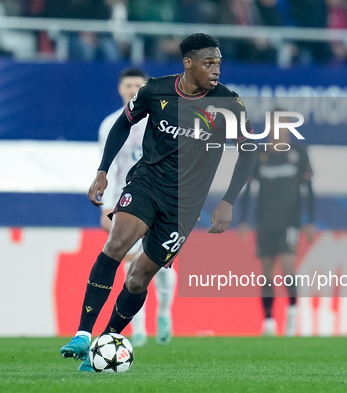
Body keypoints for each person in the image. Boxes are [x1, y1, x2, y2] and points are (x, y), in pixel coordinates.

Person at [60, 33, 257, 372]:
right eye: (209, 63)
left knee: (139, 277)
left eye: (219, 63)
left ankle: (105, 344)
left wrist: (228, 201)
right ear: (189, 63)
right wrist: (103, 171)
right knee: (117, 242)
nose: (216, 69)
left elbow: (249, 151)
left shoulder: (228, 103)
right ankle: (82, 333)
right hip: (147, 184)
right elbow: (123, 123)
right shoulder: (155, 90)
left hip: (184, 206)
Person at [97, 68, 177, 347]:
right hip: (127, 201)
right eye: (128, 85)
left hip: (162, 197)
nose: (133, 89)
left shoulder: (160, 120)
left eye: (137, 85)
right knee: (129, 264)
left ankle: (164, 313)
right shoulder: (111, 125)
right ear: (120, 89)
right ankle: (138, 327)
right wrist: (107, 207)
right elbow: (110, 167)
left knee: (160, 265)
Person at [239, 113, 316, 337]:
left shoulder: (299, 154)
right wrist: (243, 220)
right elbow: (248, 188)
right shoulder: (260, 154)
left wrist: (309, 221)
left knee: (288, 265)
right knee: (267, 270)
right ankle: (269, 321)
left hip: (290, 221)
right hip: (265, 221)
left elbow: (309, 190)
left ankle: (292, 314)